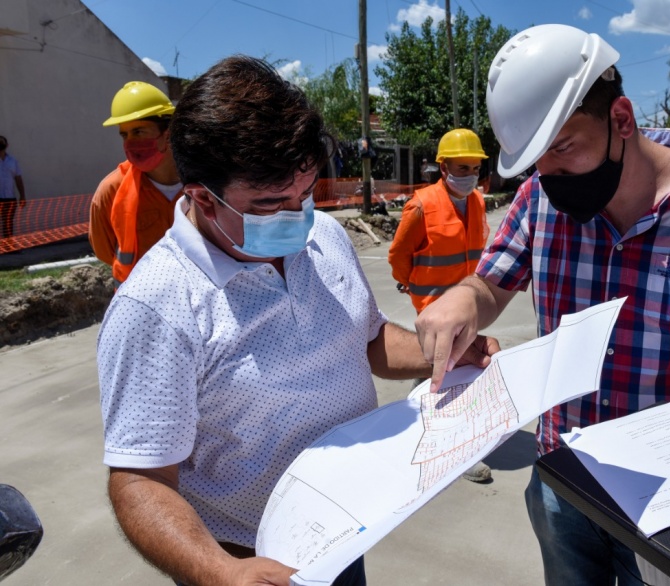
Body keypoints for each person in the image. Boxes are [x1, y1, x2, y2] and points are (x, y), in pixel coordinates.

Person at [415, 24, 670, 585]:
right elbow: (491, 286)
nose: (546, 174)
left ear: (621, 119)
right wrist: (461, 299)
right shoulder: (538, 201)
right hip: (566, 480)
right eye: (534, 160)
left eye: (562, 148)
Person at [96, 55, 497, 586]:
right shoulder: (156, 306)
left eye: (305, 195)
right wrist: (218, 570)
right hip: (248, 560)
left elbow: (368, 337)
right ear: (201, 198)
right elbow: (140, 480)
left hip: (344, 531)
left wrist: (437, 353)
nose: (296, 217)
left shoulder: (324, 238)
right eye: (269, 204)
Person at [388, 128, 492, 483]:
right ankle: (452, 447)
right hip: (434, 307)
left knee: (438, 369)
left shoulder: (477, 201)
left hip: (466, 306)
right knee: (444, 369)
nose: (469, 175)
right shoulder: (421, 204)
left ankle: (417, 423)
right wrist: (410, 284)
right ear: (443, 166)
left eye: (474, 168)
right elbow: (399, 254)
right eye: (461, 168)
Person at [90, 81, 183, 285]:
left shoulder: (204, 182)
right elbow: (105, 253)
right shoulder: (112, 190)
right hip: (140, 309)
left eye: (139, 131)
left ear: (167, 134)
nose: (130, 142)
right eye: (125, 134)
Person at [0, 136, 26, 239]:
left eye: (2, 142)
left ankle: (9, 246)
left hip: (9, 198)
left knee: (8, 222)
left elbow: (18, 178)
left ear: (7, 145)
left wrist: (22, 196)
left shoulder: (13, 161)